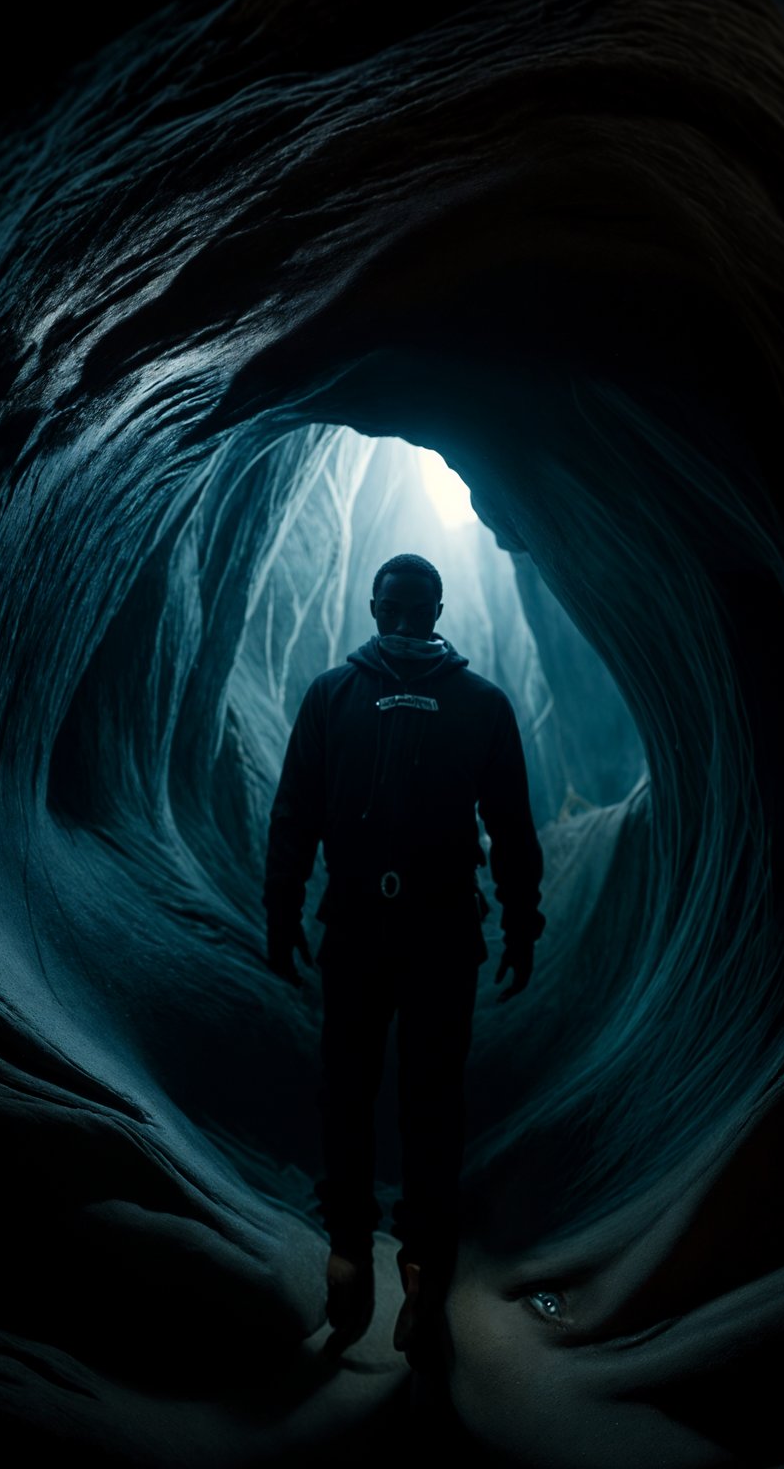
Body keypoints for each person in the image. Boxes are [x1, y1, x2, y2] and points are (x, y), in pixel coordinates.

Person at [262, 552, 544, 1362]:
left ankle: (350, 1259)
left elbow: (294, 817)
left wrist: (282, 912)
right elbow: (513, 832)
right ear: (439, 609)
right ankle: (420, 1276)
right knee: (431, 1105)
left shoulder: (332, 695)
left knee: (347, 1095)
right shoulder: (480, 703)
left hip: (356, 928)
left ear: (378, 607)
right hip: (442, 933)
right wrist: (522, 924)